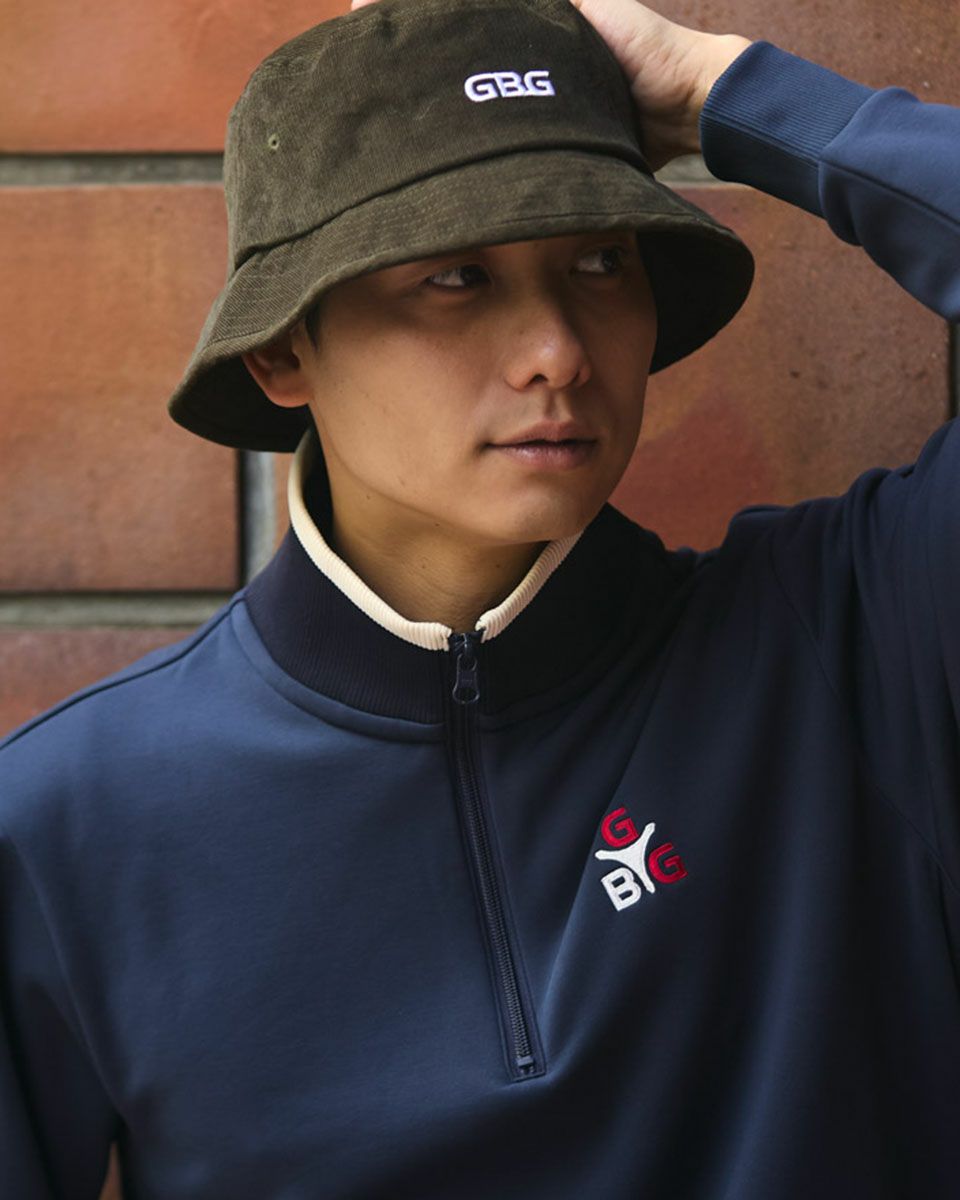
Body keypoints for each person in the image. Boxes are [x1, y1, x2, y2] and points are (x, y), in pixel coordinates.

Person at [1, 0, 958, 1196]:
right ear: (282, 351)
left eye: (600, 262)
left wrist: (726, 93)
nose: (559, 349)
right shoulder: (71, 823)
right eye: (457, 276)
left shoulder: (856, 636)